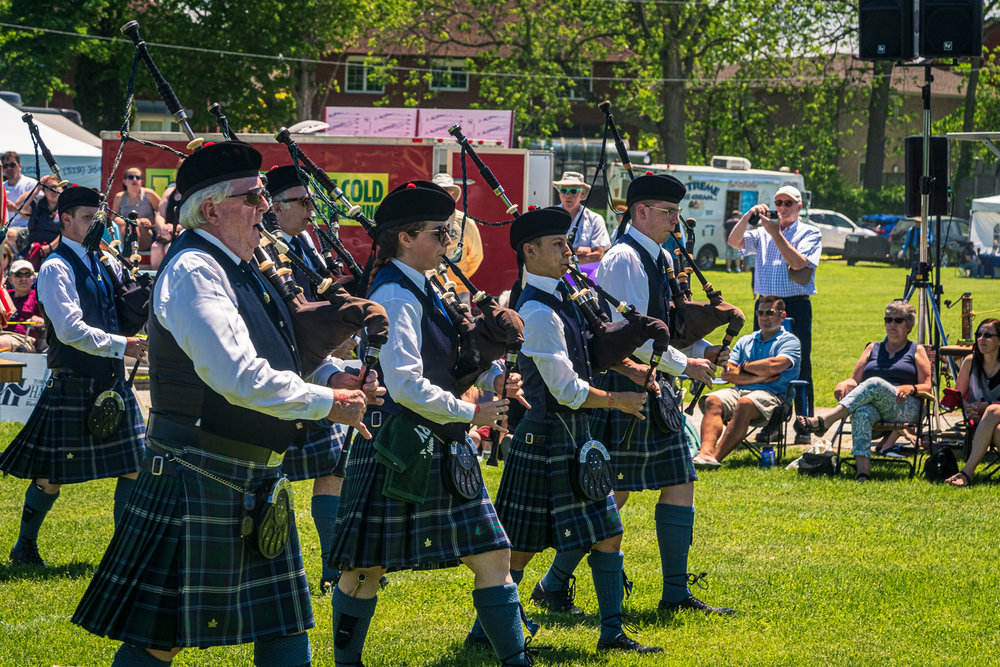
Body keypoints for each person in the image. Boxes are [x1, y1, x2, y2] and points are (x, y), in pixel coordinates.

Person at [72, 141, 377, 666]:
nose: (266, 209)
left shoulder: (243, 265)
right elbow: (236, 375)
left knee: (283, 623)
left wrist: (333, 374)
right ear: (211, 209)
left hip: (252, 472)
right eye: (254, 198)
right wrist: (328, 401)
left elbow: (278, 351)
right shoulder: (196, 270)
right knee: (158, 637)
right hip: (198, 471)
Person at [329, 180, 533, 666]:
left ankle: (516, 661)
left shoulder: (427, 286)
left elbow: (453, 352)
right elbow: (403, 384)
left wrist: (493, 371)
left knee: (494, 556)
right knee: (364, 569)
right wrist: (473, 412)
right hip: (398, 445)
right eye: (440, 233)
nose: (449, 243)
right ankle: (346, 662)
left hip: (443, 439)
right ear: (405, 238)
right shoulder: (395, 295)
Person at [531, 173, 732, 620]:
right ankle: (553, 583)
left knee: (680, 482)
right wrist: (688, 365)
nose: (675, 221)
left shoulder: (658, 257)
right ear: (641, 212)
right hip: (627, 385)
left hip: (656, 384)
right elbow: (630, 338)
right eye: (668, 213)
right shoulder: (624, 258)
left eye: (677, 213)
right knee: (611, 495)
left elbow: (666, 328)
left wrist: (702, 350)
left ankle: (675, 592)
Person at [468, 205, 663, 655]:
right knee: (518, 550)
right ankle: (485, 630)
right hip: (545, 435)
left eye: (567, 241)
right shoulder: (536, 310)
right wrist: (616, 400)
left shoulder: (562, 296)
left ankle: (612, 634)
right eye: (558, 244)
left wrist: (631, 368)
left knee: (608, 533)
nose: (568, 250)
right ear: (530, 251)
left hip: (573, 435)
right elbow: (565, 388)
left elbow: (588, 355)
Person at [0, 186, 148, 567]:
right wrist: (123, 345)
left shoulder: (103, 262)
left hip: (112, 384)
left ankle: (123, 553)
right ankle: (25, 547)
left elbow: (126, 304)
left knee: (136, 464)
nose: (95, 223)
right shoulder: (55, 266)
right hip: (73, 382)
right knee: (52, 476)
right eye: (87, 217)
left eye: (97, 217)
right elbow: (68, 330)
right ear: (65, 220)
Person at [264, 164, 346, 591]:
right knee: (267, 475)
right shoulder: (261, 247)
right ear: (275, 208)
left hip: (313, 369)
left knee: (332, 469)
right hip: (273, 376)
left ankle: (333, 568)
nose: (312, 210)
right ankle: (272, 570)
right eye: (303, 202)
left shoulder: (306, 241)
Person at [795, 300, 931, 482]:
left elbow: (928, 386)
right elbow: (854, 380)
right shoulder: (872, 348)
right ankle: (862, 473)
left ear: (908, 325)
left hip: (905, 407)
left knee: (874, 382)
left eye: (898, 320)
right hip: (875, 406)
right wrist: (844, 383)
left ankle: (826, 420)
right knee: (861, 412)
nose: (891, 324)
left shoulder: (916, 350)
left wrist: (911, 387)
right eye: (888, 319)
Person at [727, 185, 820, 429]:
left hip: (795, 304)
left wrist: (775, 233)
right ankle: (772, 419)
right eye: (778, 203)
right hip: (766, 303)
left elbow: (798, 263)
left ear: (799, 207)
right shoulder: (763, 232)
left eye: (789, 203)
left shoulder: (810, 233)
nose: (782, 208)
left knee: (799, 364)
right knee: (764, 358)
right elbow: (734, 242)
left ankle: (804, 421)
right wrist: (748, 217)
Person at [695, 296, 801, 466]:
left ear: (782, 316)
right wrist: (759, 376)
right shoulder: (746, 340)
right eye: (760, 313)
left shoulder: (790, 341)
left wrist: (743, 367)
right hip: (740, 390)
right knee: (713, 400)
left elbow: (776, 365)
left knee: (745, 403)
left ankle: (715, 459)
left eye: (770, 313)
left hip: (775, 395)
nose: (764, 317)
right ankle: (704, 454)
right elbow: (727, 373)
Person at [946, 319, 1000, 487]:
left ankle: (967, 472)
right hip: (979, 420)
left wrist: (988, 405)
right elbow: (958, 395)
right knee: (997, 430)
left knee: (991, 410)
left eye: (988, 335)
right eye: (979, 334)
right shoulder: (970, 362)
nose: (981, 339)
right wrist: (966, 406)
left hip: (992, 413)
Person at [432, 172, 483, 303]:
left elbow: (477, 256)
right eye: (438, 190)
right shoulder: (423, 221)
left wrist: (459, 277)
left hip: (458, 291)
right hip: (430, 288)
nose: (443, 194)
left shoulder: (466, 222)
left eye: (447, 190)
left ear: (453, 194)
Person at [553, 171, 610, 264]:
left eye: (573, 191)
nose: (567, 195)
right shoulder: (550, 216)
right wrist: (580, 252)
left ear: (582, 194)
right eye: (563, 190)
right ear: (559, 193)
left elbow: (598, 255)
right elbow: (544, 253)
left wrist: (561, 256)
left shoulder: (595, 219)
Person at [111, 166, 164, 256]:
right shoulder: (119, 197)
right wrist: (125, 222)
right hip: (126, 233)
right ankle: (125, 255)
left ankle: (128, 256)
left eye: (138, 177)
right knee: (122, 222)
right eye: (130, 177)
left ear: (141, 181)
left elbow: (162, 213)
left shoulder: (149, 194)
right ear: (124, 181)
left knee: (136, 223)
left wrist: (150, 222)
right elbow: (114, 219)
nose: (134, 179)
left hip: (146, 235)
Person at [17, 174, 63, 270]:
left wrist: (49, 247)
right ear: (44, 193)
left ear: (61, 188)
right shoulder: (38, 204)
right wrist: (37, 188)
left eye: (55, 187)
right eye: (48, 188)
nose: (52, 190)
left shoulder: (67, 208)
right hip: (32, 250)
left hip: (56, 251)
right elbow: (19, 206)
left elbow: (67, 232)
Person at [1, 259, 45, 352]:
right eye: (18, 275)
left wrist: (41, 321)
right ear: (10, 279)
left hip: (25, 341)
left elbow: (52, 324)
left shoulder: (40, 298)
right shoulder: (4, 295)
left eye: (27, 275)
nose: (23, 279)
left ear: (33, 278)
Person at [3, 151, 41, 251]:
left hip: (26, 229)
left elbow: (39, 212)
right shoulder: (2, 187)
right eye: (6, 166)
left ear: (19, 166)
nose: (9, 168)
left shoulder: (31, 184)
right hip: (7, 229)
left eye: (12, 165)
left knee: (6, 234)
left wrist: (15, 209)